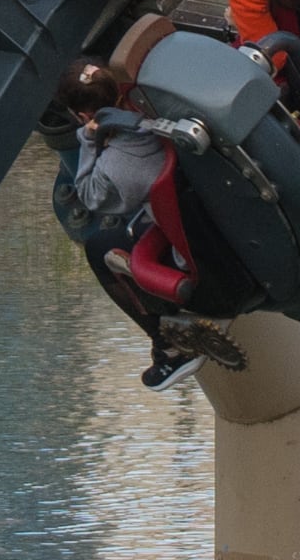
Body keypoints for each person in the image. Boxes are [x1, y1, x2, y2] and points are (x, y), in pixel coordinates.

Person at [47, 29, 244, 386]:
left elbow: (90, 197)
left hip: (205, 257)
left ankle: (168, 347)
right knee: (135, 229)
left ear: (82, 113)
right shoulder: (163, 105)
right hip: (229, 217)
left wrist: (88, 139)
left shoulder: (121, 162)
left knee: (101, 247)